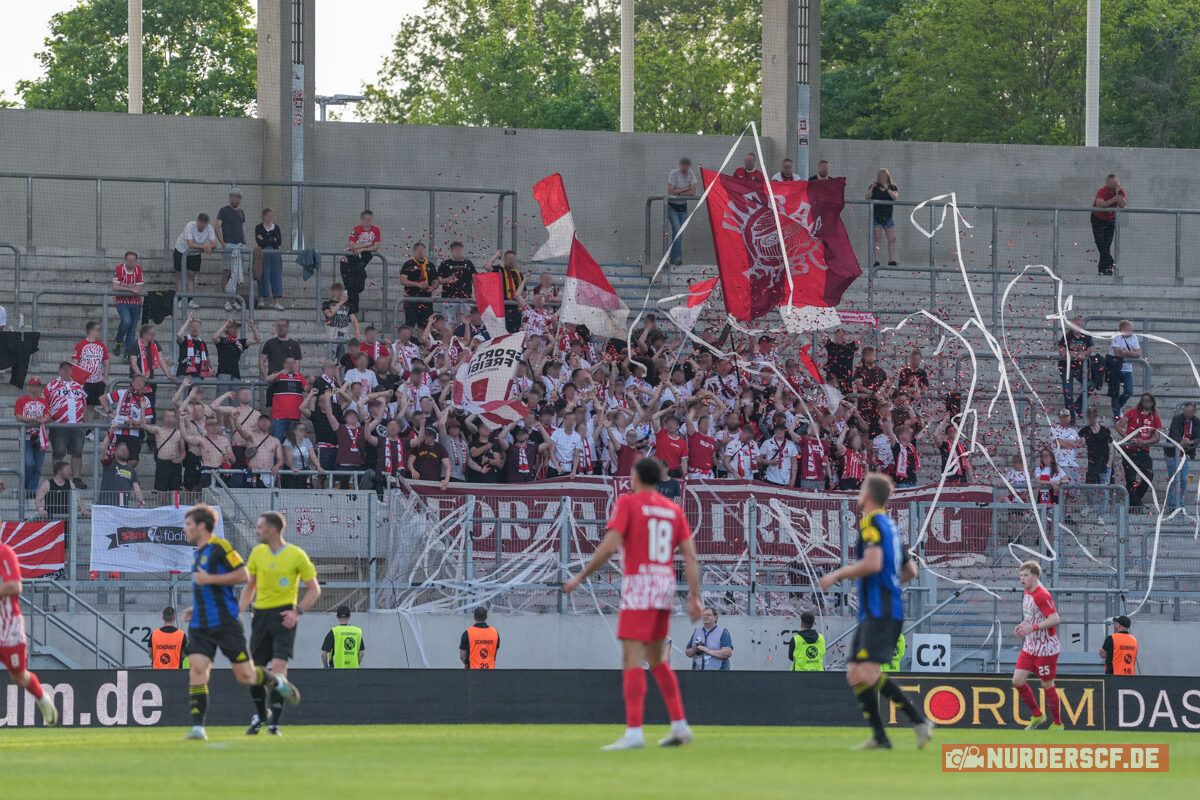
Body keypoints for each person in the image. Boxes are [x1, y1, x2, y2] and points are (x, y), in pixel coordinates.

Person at [562, 457, 702, 750]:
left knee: (631, 659)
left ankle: (635, 732)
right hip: (664, 585)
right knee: (656, 659)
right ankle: (679, 725)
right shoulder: (673, 509)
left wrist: (580, 576)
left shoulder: (628, 503)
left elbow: (609, 547)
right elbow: (690, 557)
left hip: (639, 584)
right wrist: (694, 596)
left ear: (636, 478)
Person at [817, 473, 932, 750]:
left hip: (881, 610)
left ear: (866, 495)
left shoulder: (871, 522)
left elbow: (873, 562)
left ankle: (919, 721)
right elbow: (910, 570)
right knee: (855, 673)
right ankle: (880, 738)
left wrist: (836, 575)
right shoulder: (890, 526)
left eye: (861, 489)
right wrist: (886, 584)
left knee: (867, 674)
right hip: (879, 608)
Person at [181, 504, 299, 741]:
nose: (185, 529)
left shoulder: (220, 547)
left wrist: (210, 578)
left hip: (225, 622)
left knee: (245, 676)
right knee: (197, 669)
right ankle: (198, 728)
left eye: (188, 524)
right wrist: (197, 607)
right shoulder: (198, 553)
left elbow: (243, 575)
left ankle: (276, 680)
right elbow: (207, 588)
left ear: (202, 526)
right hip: (202, 624)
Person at [239, 512, 320, 736]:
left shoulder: (296, 555)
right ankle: (260, 713)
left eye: (259, 527)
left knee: (278, 669)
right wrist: (238, 610)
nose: (256, 531)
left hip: (285, 616)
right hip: (261, 616)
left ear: (272, 530)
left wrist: (298, 612)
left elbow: (314, 588)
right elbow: (250, 586)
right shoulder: (257, 553)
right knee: (254, 672)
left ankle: (274, 723)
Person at [0, 532, 60, 725]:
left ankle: (42, 698)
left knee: (18, 676)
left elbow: (15, 586)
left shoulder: (5, 553)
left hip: (8, 628)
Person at [1012, 560, 1063, 730]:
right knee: (1017, 681)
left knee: (1047, 684)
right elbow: (1032, 617)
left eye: (1025, 575)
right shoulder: (1027, 593)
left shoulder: (1042, 595)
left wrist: (1032, 628)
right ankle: (1037, 715)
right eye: (1020, 575)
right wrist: (1022, 626)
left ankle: (1057, 723)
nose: (1022, 578)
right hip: (1030, 646)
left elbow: (1055, 619)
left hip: (1046, 648)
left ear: (1035, 576)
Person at [1116, 392, 1161, 510]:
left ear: (1152, 403)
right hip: (1129, 450)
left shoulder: (1155, 417)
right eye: (1143, 400)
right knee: (1130, 478)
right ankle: (1135, 505)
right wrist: (1128, 438)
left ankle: (1135, 501)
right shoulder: (1133, 412)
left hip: (1144, 450)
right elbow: (1118, 426)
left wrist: (1143, 442)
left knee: (1148, 476)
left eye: (1148, 401)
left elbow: (1157, 438)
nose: (1145, 402)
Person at [46, 361, 88, 482]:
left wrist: (85, 422)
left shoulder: (78, 386)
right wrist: (49, 419)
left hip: (77, 425)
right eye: (63, 368)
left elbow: (83, 404)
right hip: (59, 425)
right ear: (59, 370)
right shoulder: (51, 386)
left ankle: (76, 478)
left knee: (77, 452)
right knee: (58, 452)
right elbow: (44, 404)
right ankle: (58, 478)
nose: (66, 371)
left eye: (68, 369)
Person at [342, 209, 381, 316]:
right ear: (362, 220)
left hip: (362, 256)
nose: (368, 222)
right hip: (349, 259)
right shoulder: (356, 229)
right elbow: (351, 245)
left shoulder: (376, 230)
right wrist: (368, 244)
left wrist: (363, 249)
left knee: (357, 285)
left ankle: (350, 308)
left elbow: (376, 247)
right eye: (365, 219)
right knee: (351, 284)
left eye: (370, 219)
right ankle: (351, 311)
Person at [14, 376, 50, 494]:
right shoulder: (21, 401)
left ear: (40, 388)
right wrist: (34, 420)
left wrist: (43, 419)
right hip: (26, 437)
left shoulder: (43, 401)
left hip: (41, 437)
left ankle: (31, 491)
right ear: (28, 387)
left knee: (38, 467)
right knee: (29, 463)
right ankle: (27, 485)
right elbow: (19, 417)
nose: (35, 388)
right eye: (33, 385)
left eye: (37, 386)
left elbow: (47, 416)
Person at [1079, 407, 1115, 524]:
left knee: (1104, 491)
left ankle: (1101, 515)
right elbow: (1078, 440)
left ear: (1097, 417)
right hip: (1092, 465)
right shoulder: (1085, 430)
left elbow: (1111, 446)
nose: (1091, 419)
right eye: (1089, 417)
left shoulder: (1105, 431)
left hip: (1104, 464)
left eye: (1093, 416)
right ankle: (1091, 505)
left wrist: (1109, 463)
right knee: (1089, 489)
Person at [173, 213, 217, 305]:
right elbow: (190, 244)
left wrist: (209, 246)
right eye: (200, 224)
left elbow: (214, 243)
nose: (201, 227)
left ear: (207, 224)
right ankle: (180, 299)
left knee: (191, 276)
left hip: (195, 253)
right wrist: (205, 247)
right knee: (180, 276)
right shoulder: (189, 226)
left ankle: (190, 300)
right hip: (181, 250)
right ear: (197, 221)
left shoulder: (209, 228)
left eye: (204, 225)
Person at [73, 321, 111, 421]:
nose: (100, 332)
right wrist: (76, 381)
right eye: (98, 330)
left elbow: (106, 362)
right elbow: (74, 363)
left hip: (97, 381)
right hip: (83, 382)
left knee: (91, 407)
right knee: (83, 406)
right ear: (91, 331)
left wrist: (105, 378)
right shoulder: (80, 345)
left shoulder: (101, 346)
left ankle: (88, 431)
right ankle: (82, 429)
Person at [1057, 315, 1092, 420]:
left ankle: (1077, 405)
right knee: (1068, 392)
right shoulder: (1067, 336)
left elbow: (1089, 351)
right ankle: (1071, 417)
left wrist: (1077, 354)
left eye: (1079, 325)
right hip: (1066, 367)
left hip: (1081, 368)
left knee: (1090, 385)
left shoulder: (1087, 336)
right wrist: (1077, 355)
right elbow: (1062, 351)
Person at [1091, 174, 1126, 276]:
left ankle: (1103, 269)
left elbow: (1122, 204)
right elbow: (1100, 204)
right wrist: (1113, 200)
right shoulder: (1102, 191)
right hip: (1098, 219)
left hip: (1110, 220)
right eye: (1112, 183)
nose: (1114, 185)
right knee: (1101, 244)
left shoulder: (1119, 191)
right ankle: (1110, 263)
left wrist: (1117, 193)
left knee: (1107, 245)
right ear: (1108, 183)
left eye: (1116, 183)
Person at [1164, 402, 1196, 512]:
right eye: (1186, 411)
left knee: (1183, 479)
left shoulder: (1196, 422)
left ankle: (1181, 505)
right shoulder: (1177, 419)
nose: (1187, 414)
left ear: (1194, 412)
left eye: (1190, 412)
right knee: (1174, 479)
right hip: (1173, 453)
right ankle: (1173, 506)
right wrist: (1182, 441)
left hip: (1184, 454)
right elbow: (1174, 433)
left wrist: (1191, 442)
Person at [112, 251, 144, 356]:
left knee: (132, 329)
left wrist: (125, 289)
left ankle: (128, 354)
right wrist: (130, 289)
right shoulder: (119, 269)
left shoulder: (138, 269)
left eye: (133, 260)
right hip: (122, 301)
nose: (131, 262)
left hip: (136, 302)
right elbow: (115, 287)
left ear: (136, 261)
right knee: (126, 321)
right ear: (125, 260)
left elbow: (138, 289)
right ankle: (118, 341)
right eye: (129, 260)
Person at [483, 249, 524, 333]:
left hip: (516, 309)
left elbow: (524, 292)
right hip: (502, 309)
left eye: (512, 259)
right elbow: (486, 266)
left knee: (515, 333)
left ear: (515, 260)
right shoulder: (499, 270)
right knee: (503, 332)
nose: (511, 261)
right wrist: (496, 255)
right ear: (504, 260)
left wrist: (519, 299)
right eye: (508, 259)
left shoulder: (519, 275)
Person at [666, 157, 697, 265]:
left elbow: (693, 191)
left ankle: (672, 257)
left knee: (679, 233)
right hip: (672, 207)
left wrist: (678, 193)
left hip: (683, 207)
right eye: (683, 166)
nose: (685, 168)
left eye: (686, 166)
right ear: (680, 166)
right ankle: (678, 257)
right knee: (677, 230)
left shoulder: (691, 174)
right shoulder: (674, 174)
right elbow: (670, 191)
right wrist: (685, 189)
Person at [399, 242, 437, 329]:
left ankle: (423, 342)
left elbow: (436, 280)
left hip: (426, 300)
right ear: (414, 252)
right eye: (418, 250)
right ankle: (408, 342)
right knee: (409, 324)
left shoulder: (430, 265)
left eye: (422, 250)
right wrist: (417, 284)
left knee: (425, 325)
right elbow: (402, 280)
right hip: (411, 300)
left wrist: (433, 287)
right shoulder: (408, 264)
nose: (420, 253)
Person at [437, 241, 476, 324]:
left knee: (465, 324)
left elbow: (475, 279)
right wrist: (448, 279)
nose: (458, 252)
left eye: (460, 250)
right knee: (449, 324)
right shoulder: (445, 264)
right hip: (449, 299)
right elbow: (439, 280)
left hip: (465, 299)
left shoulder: (468, 263)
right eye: (456, 250)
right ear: (451, 250)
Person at [867, 169, 899, 267]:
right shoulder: (875, 187)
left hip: (888, 216)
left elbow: (895, 197)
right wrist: (872, 188)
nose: (882, 178)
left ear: (888, 177)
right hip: (877, 216)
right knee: (877, 238)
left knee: (892, 238)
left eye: (884, 176)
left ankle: (892, 260)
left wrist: (887, 188)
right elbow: (867, 197)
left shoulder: (892, 186)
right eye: (880, 176)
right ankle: (876, 260)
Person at [1108, 319, 1140, 417]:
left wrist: (1126, 353)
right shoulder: (1116, 337)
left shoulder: (1134, 337)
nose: (1132, 331)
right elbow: (1117, 353)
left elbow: (1138, 353)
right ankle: (1117, 414)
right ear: (1123, 329)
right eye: (1129, 329)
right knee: (1115, 392)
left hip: (1127, 369)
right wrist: (1131, 354)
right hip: (1115, 368)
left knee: (1129, 390)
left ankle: (1118, 406)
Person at [685, 607, 733, 671]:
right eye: (704, 615)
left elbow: (728, 652)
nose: (705, 617)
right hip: (698, 673)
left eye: (708, 615)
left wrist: (708, 651)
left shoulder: (723, 632)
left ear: (715, 618)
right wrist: (693, 650)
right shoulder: (697, 631)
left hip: (718, 674)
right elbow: (687, 652)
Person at [255, 207, 284, 310]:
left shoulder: (276, 227)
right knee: (263, 275)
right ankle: (262, 300)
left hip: (275, 254)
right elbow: (260, 242)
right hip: (263, 254)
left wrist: (266, 239)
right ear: (264, 216)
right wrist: (272, 239)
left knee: (276, 276)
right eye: (269, 215)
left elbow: (279, 242)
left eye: (272, 216)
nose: (271, 218)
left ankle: (277, 301)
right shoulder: (258, 227)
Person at [322, 282, 360, 361]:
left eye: (342, 290)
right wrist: (341, 302)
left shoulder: (348, 305)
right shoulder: (327, 304)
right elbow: (328, 314)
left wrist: (357, 334)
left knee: (343, 360)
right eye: (338, 290)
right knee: (330, 359)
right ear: (333, 291)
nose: (340, 292)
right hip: (332, 335)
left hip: (344, 335)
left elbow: (354, 320)